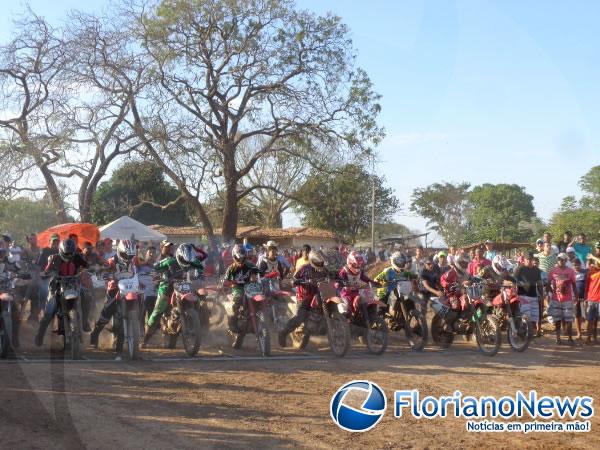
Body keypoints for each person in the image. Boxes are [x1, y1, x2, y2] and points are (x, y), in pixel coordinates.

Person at [89, 240, 139, 359]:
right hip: (115, 290)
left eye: (130, 256)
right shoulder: (112, 261)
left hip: (130, 289)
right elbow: (105, 269)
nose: (128, 258)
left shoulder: (132, 263)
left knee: (122, 317)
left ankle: (121, 347)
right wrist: (104, 273)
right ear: (120, 252)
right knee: (106, 315)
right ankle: (95, 333)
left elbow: (135, 273)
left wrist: (139, 281)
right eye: (126, 255)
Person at [35, 239, 88, 347]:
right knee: (49, 312)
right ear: (61, 250)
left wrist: (92, 269)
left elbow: (87, 266)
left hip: (73, 283)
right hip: (57, 285)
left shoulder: (78, 257)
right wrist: (45, 273)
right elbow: (46, 270)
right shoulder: (54, 258)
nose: (68, 255)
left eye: (70, 253)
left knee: (87, 296)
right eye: (66, 253)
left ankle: (85, 321)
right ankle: (40, 335)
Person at [278, 251, 329, 346]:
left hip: (319, 295)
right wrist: (297, 281)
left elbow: (332, 275)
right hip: (304, 297)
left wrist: (337, 278)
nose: (320, 264)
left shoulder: (324, 270)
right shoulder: (304, 268)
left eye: (321, 262)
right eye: (318, 263)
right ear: (312, 261)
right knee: (300, 317)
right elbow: (293, 278)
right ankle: (283, 333)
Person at [142, 241, 180, 346]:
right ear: (162, 247)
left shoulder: (178, 259)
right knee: (157, 313)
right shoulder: (160, 259)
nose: (170, 248)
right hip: (164, 289)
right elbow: (154, 271)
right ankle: (145, 339)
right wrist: (157, 279)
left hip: (177, 289)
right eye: (167, 247)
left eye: (171, 247)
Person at [224, 244, 257, 346]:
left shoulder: (250, 264)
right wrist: (227, 283)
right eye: (238, 257)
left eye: (242, 256)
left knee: (260, 300)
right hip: (238, 289)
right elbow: (226, 281)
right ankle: (233, 323)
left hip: (250, 288)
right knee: (237, 300)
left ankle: (262, 320)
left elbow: (258, 272)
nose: (240, 259)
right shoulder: (231, 268)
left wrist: (256, 276)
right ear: (234, 256)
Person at [547, 253, 577, 345]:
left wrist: (576, 295)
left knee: (569, 319)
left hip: (567, 299)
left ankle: (570, 337)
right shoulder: (553, 271)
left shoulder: (571, 271)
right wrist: (551, 293)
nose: (560, 261)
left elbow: (574, 284)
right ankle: (558, 338)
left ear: (566, 260)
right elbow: (548, 283)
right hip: (556, 299)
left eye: (562, 259)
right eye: (559, 259)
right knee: (557, 319)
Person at [513, 252, 543, 336]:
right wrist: (515, 291)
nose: (529, 261)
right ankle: (523, 334)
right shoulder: (519, 269)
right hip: (523, 296)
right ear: (524, 260)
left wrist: (541, 295)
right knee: (526, 317)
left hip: (534, 296)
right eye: (527, 259)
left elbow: (539, 283)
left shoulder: (536, 270)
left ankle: (529, 335)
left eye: (530, 259)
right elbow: (513, 281)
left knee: (534, 318)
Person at [584, 253, 600, 345]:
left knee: (596, 320)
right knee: (590, 320)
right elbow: (586, 287)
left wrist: (593, 257)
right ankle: (588, 338)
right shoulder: (590, 271)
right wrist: (586, 298)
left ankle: (595, 338)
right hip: (591, 299)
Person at [572, 258, 587, 340]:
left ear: (580, 264)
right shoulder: (571, 273)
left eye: (577, 264)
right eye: (574, 265)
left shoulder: (585, 272)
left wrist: (586, 296)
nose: (576, 266)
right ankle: (579, 333)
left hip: (585, 297)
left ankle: (589, 333)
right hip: (575, 298)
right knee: (577, 315)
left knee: (587, 316)